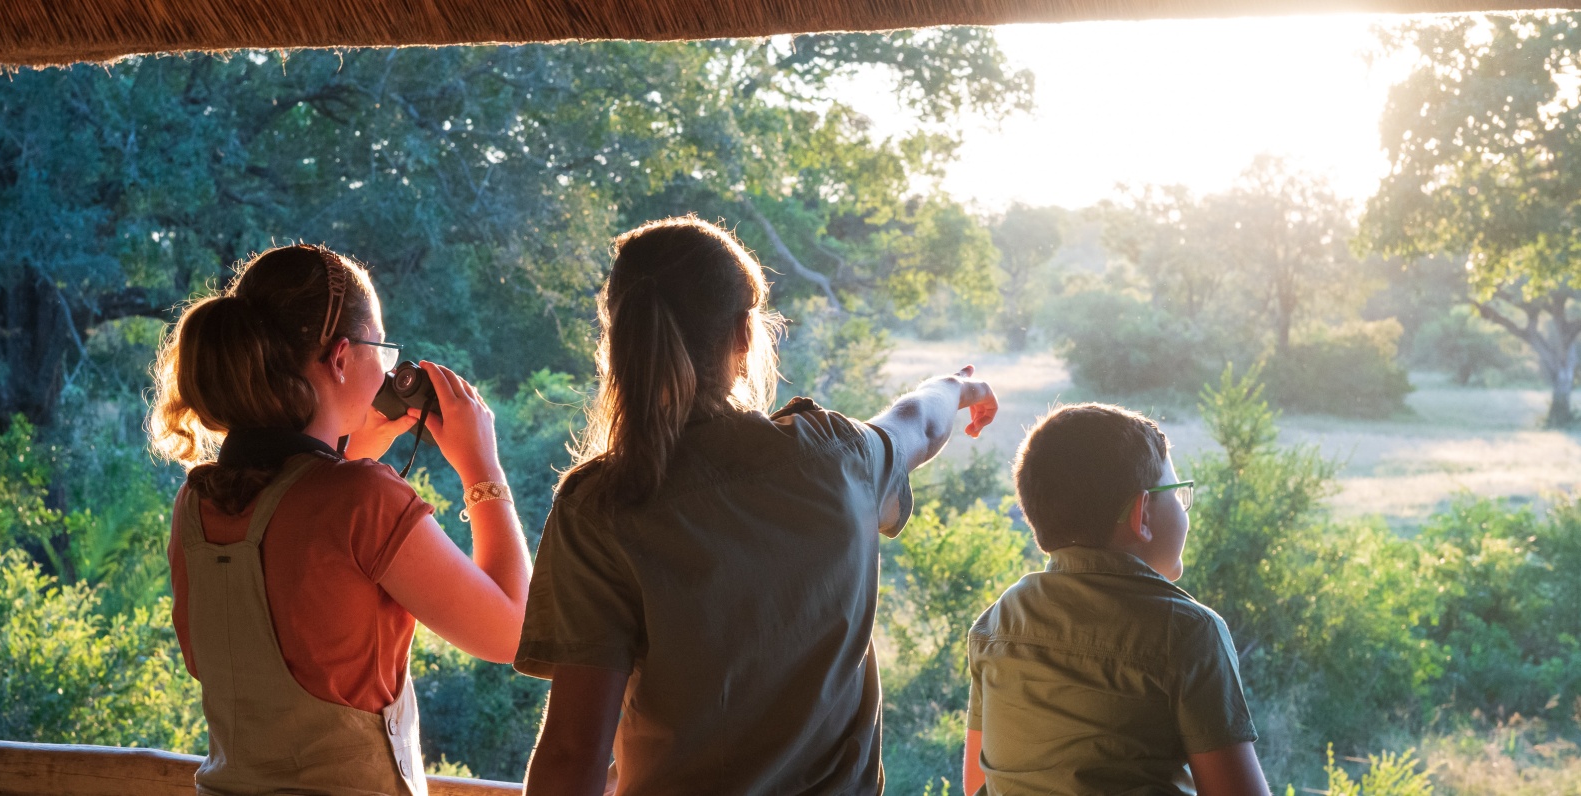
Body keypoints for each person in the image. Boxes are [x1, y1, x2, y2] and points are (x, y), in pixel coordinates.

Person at [516, 216, 999, 796]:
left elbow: (573, 754)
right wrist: (957, 386)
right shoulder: (837, 456)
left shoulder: (600, 506)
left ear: (617, 340)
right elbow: (918, 423)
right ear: (744, 336)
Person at [149, 244, 531, 796]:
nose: (388, 368)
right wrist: (482, 467)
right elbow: (512, 634)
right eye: (381, 348)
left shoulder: (195, 503)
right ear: (341, 358)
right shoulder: (363, 499)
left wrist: (351, 455)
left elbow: (234, 654)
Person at [963, 403, 1269, 796]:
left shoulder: (996, 624)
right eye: (1177, 495)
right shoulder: (1188, 632)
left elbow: (978, 783)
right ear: (1143, 515)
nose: (1183, 508)